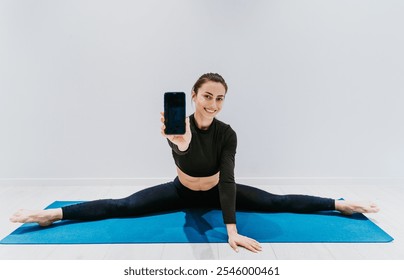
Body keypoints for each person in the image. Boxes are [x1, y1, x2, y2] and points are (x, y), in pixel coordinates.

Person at [10, 73, 380, 253]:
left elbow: (229, 179)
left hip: (219, 192)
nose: (213, 104)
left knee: (276, 201)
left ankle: (339, 205)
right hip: (181, 192)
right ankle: (52, 216)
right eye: (207, 96)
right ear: (193, 95)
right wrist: (182, 146)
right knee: (123, 206)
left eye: (219, 99)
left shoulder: (227, 133)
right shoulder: (179, 129)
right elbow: (185, 154)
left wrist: (231, 231)